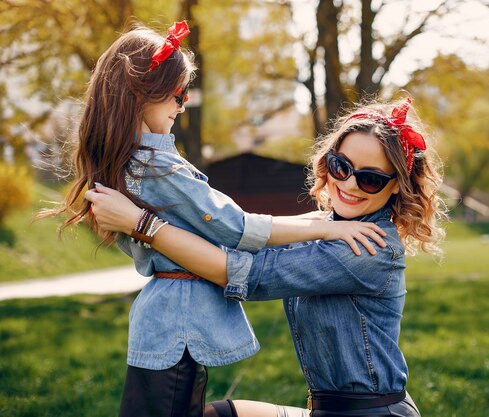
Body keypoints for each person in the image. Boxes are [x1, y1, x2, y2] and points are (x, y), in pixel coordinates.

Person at [38, 20, 386, 417]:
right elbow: (237, 227)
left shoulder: (132, 163)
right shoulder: (157, 166)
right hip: (178, 326)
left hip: (168, 321)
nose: (182, 105)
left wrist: (325, 219)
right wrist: (327, 225)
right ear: (141, 93)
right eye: (176, 94)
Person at [86, 97, 446, 417]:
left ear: (397, 183)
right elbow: (244, 236)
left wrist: (140, 223)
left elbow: (238, 272)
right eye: (341, 167)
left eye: (370, 180)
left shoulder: (368, 247)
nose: (350, 185)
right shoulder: (333, 225)